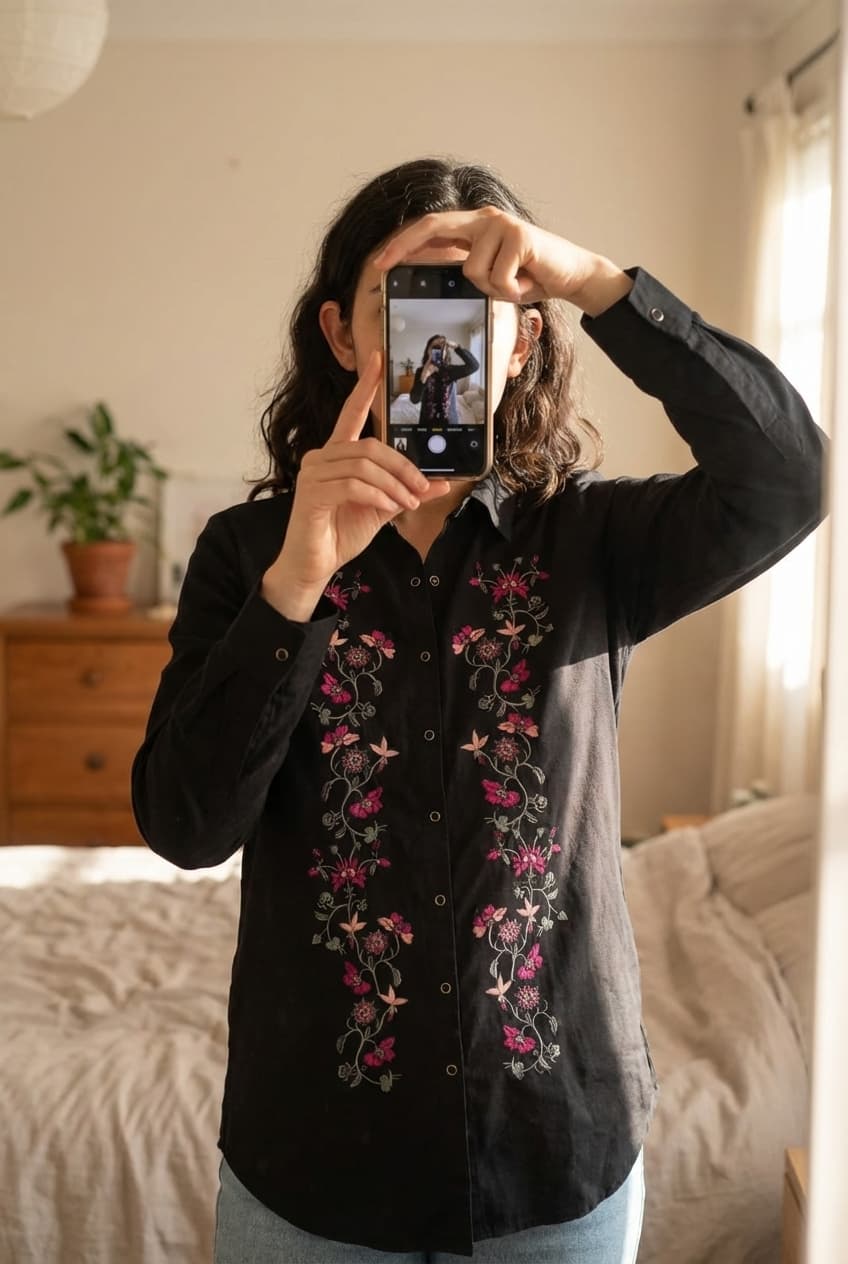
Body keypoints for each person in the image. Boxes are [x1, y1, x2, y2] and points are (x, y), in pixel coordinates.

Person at [131, 158, 827, 1264]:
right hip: (312, 1163)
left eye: (482, 306)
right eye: (405, 300)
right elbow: (184, 825)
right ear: (344, 335)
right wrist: (294, 588)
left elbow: (789, 478)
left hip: (554, 1154)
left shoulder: (596, 545)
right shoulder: (245, 554)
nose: (441, 337)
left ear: (526, 341)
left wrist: (594, 281)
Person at [410, 334, 479, 424]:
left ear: (446, 352)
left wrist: (457, 347)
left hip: (449, 422)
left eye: (442, 347)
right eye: (434, 347)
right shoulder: (421, 371)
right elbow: (414, 400)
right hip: (427, 423)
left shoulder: (450, 370)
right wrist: (423, 377)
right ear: (428, 350)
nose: (437, 350)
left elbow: (474, 366)